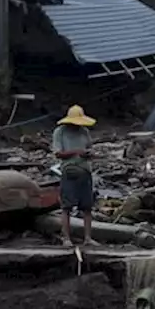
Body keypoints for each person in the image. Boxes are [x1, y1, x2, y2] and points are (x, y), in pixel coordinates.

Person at [54, 105, 98, 246]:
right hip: (69, 171)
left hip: (85, 171)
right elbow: (58, 153)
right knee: (66, 207)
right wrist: (76, 152)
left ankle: (88, 238)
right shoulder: (60, 132)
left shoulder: (84, 131)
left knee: (87, 207)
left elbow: (89, 148)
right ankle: (66, 238)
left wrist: (89, 153)